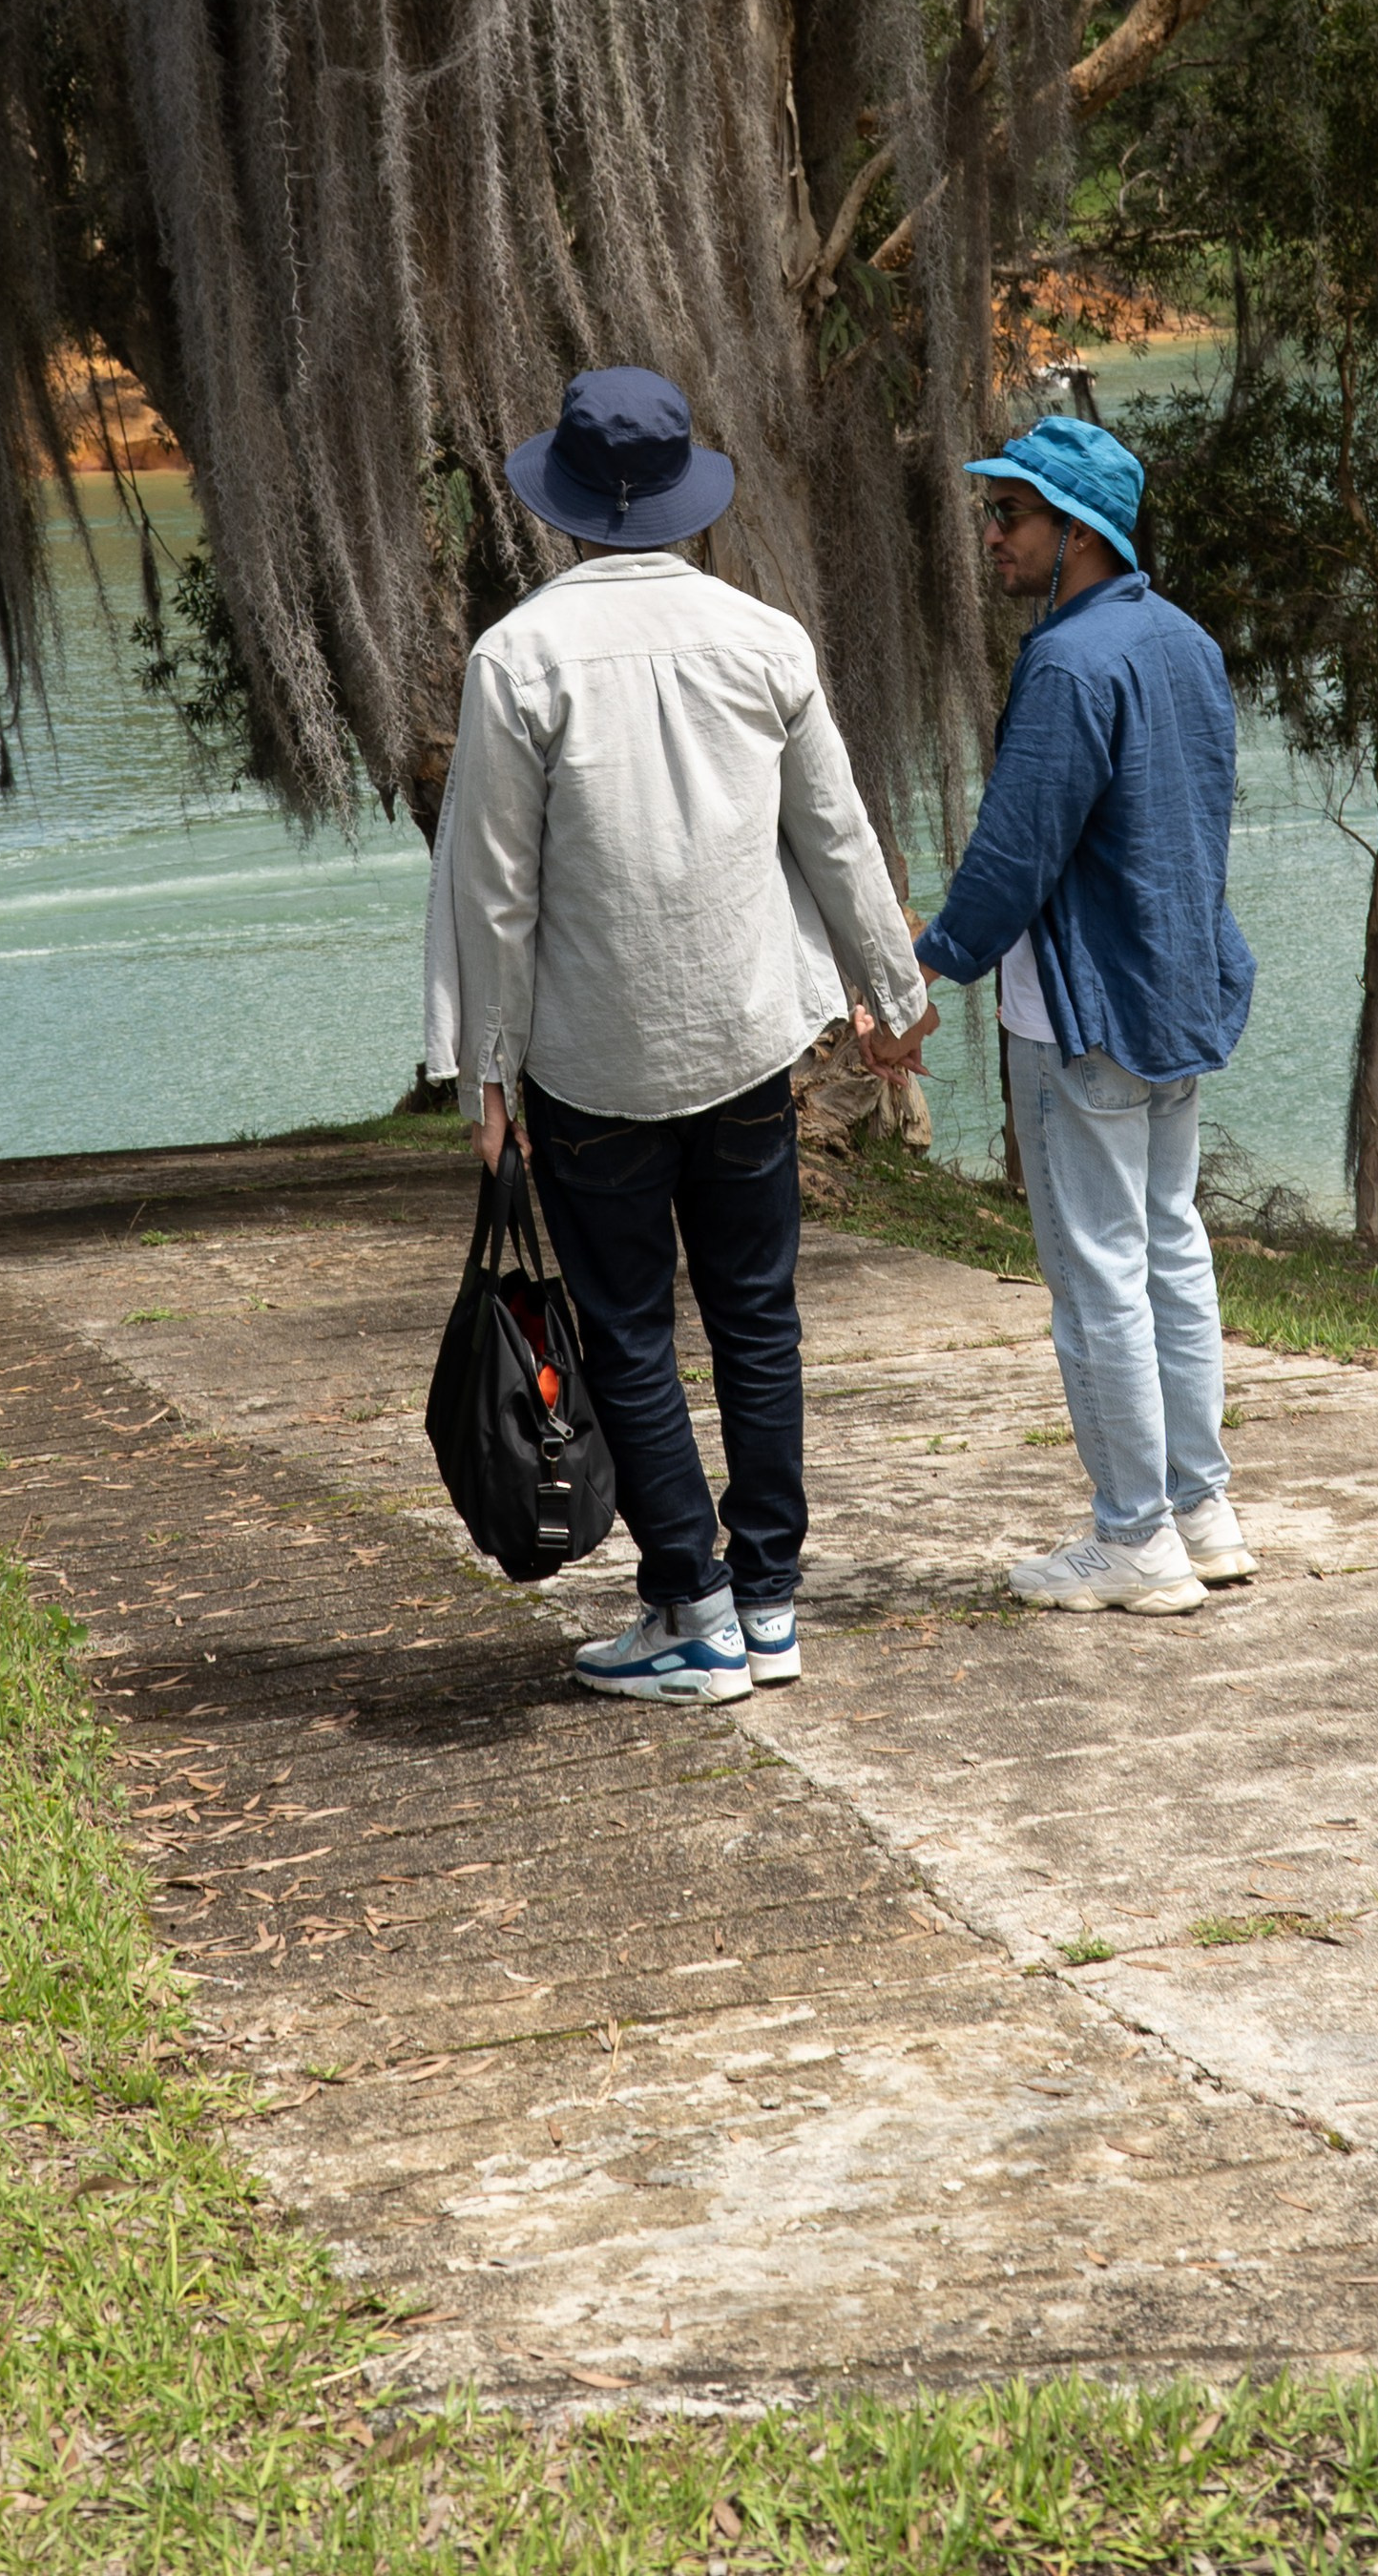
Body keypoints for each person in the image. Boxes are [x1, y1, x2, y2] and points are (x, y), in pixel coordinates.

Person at [423, 366, 929, 1703]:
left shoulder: (515, 657)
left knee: (628, 1327)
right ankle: (768, 1604)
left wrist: (485, 1068)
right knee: (759, 1318)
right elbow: (834, 831)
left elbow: (493, 888)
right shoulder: (765, 639)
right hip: (748, 1035)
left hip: (594, 1055)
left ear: (567, 504)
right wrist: (891, 990)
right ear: (687, 499)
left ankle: (691, 1606)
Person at [864, 414, 1255, 1617]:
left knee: (1099, 1274)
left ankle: (1135, 1539)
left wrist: (922, 965)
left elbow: (1016, 848)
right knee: (1172, 1250)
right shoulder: (1185, 642)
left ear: (1077, 532)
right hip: (1178, 992)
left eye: (1012, 515)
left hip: (1082, 1006)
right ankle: (1203, 1508)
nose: (992, 534)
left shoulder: (1070, 663)